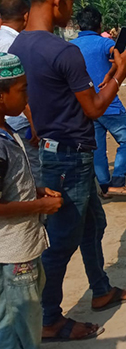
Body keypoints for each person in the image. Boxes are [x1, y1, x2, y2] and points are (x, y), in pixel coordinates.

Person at [9, 0, 126, 341]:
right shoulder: (62, 51)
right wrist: (119, 72)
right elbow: (94, 109)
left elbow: (34, 101)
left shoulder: (18, 45)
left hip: (54, 148)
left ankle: (100, 289)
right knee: (63, 239)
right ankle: (50, 317)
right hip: (71, 155)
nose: (70, 13)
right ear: (58, 2)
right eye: (69, 5)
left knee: (93, 224)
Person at [0, 52, 64, 349]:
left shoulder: (7, 131)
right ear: (2, 96)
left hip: (22, 247)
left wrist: (34, 191)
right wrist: (39, 206)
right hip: (14, 254)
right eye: (22, 89)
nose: (28, 95)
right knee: (20, 327)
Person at [71, 6, 126, 198]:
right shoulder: (104, 43)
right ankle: (118, 180)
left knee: (98, 147)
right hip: (108, 104)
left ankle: (104, 187)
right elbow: (121, 57)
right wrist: (111, 75)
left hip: (85, 105)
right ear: (100, 24)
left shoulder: (71, 46)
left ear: (78, 25)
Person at [0, 0, 40, 182]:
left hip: (7, 118)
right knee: (33, 170)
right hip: (18, 117)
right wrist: (34, 122)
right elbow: (15, 87)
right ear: (26, 16)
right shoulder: (16, 44)